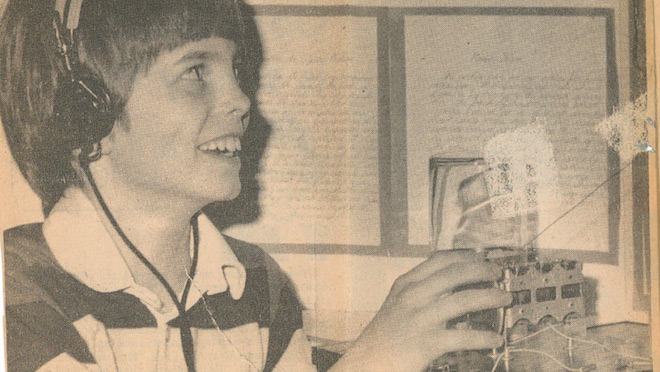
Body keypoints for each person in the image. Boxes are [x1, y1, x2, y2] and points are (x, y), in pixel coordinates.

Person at [0, 0, 512, 371]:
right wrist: (373, 360)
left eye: (236, 69)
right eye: (196, 71)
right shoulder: (14, 294)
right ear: (84, 113)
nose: (240, 100)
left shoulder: (256, 283)